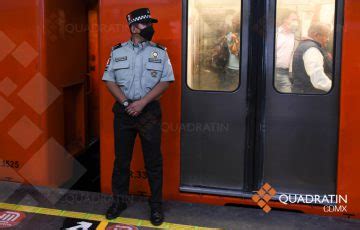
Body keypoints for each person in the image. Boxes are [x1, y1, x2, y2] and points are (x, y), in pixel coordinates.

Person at [102, 8, 174, 226]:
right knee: (121, 160)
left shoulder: (160, 52)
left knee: (153, 161)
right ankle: (119, 202)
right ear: (134, 28)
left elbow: (166, 81)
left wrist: (142, 103)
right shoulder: (117, 51)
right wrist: (126, 103)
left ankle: (156, 206)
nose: (150, 28)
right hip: (124, 113)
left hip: (149, 112)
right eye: (146, 24)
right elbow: (109, 79)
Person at [292, 23, 332, 94]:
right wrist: (334, 88)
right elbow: (318, 81)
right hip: (310, 94)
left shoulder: (304, 45)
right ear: (316, 35)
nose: (328, 39)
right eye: (326, 36)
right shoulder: (312, 50)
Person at [212, 12, 240, 90]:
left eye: (235, 22)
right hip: (229, 67)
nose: (233, 24)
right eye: (233, 22)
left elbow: (235, 51)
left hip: (234, 68)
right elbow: (220, 47)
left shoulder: (232, 35)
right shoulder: (229, 35)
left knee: (225, 88)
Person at [275, 9, 299, 93]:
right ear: (285, 20)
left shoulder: (297, 35)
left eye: (296, 20)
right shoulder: (274, 33)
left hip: (286, 73)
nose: (296, 22)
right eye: (293, 19)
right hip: (271, 71)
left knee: (286, 98)